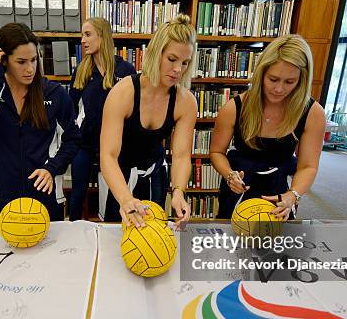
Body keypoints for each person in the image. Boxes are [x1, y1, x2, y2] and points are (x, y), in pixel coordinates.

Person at [0, 23, 81, 220]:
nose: (30, 69)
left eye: (34, 60)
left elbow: (73, 139)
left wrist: (53, 168)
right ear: (4, 60)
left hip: (46, 196)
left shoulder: (54, 92)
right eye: (21, 62)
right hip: (5, 197)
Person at [209, 34, 326, 221]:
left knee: (275, 245)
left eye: (289, 82)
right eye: (273, 79)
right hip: (239, 188)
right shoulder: (234, 107)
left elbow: (308, 166)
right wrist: (229, 175)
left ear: (302, 80)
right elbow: (216, 152)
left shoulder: (313, 113)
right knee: (229, 245)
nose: (279, 89)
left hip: (279, 194)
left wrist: (293, 195)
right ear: (261, 73)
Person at [100, 14, 198, 229]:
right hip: (120, 178)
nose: (178, 70)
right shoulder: (123, 93)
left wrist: (179, 191)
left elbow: (181, 155)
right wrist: (125, 199)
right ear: (155, 53)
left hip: (155, 177)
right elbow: (108, 155)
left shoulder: (185, 101)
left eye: (185, 63)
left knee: (152, 239)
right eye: (172, 59)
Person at [68, 17, 136, 220]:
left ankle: (111, 231)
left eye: (87, 34)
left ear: (103, 36)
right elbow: (71, 109)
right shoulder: (82, 70)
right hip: (86, 144)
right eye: (82, 35)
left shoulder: (125, 70)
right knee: (77, 193)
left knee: (117, 195)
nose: (82, 40)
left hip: (117, 147)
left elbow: (134, 108)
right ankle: (73, 230)